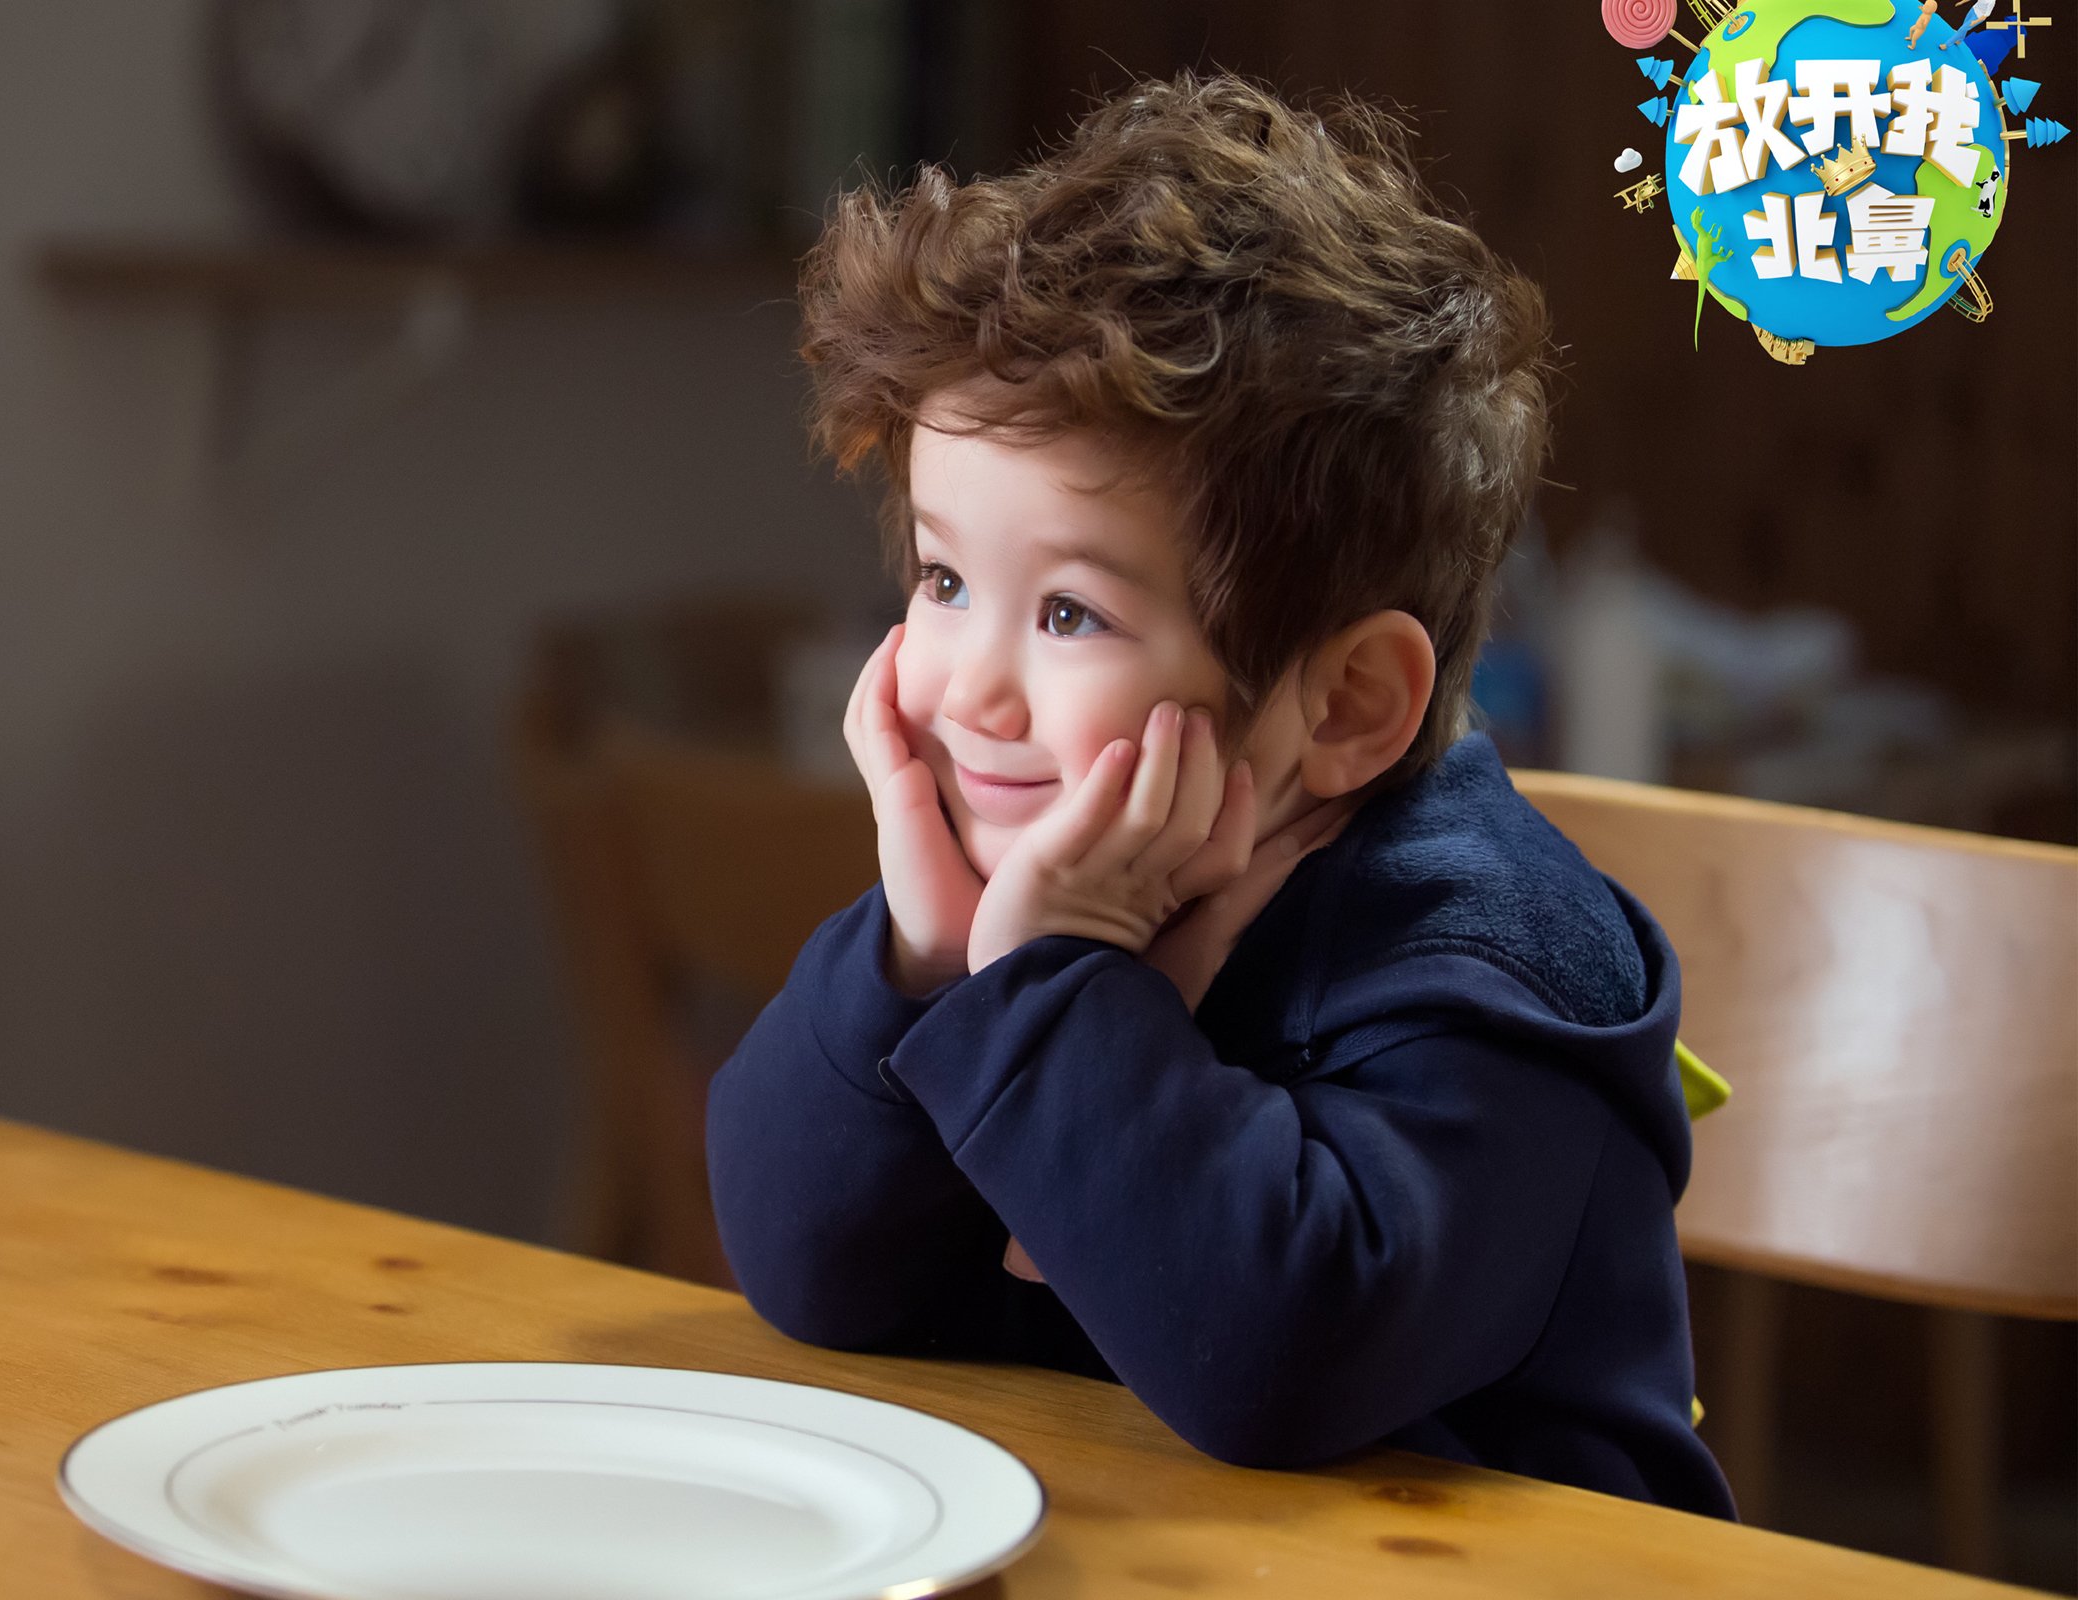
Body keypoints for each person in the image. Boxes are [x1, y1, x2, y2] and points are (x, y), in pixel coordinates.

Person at [705, 70, 1736, 1518]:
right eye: (944, 580)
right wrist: (924, 965)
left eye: (1069, 614)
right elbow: (807, 1268)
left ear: (1349, 706)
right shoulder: (1027, 908)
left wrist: (1046, 987)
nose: (969, 690)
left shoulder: (1501, 970)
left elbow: (1277, 1358)